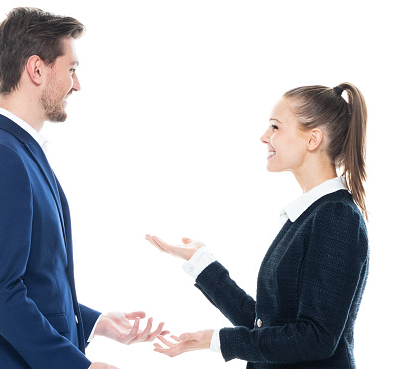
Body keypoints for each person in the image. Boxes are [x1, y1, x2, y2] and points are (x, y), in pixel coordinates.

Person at [0, 7, 166, 369]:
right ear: (36, 69)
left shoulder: (14, 149)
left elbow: (30, 282)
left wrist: (92, 322)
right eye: (71, 69)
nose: (76, 84)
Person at [146, 83, 369, 368]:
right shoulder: (309, 216)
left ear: (313, 139)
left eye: (276, 127)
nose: (265, 137)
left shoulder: (336, 217)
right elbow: (267, 325)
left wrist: (217, 340)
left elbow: (316, 338)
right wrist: (201, 262)